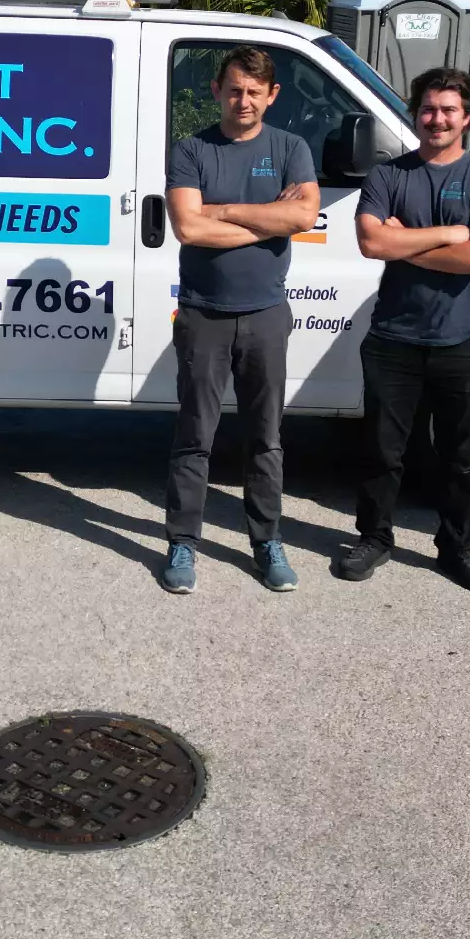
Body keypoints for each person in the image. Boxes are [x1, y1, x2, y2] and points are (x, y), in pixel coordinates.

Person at [336, 67, 470, 591]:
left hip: (463, 338)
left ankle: (456, 547)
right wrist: (449, 234)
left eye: (448, 111)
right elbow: (372, 243)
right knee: (381, 451)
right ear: (415, 115)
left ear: (467, 119)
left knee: (460, 458)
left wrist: (407, 240)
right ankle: (374, 538)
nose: (437, 119)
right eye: (429, 109)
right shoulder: (389, 176)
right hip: (393, 337)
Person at [161, 46, 321, 594]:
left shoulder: (291, 147)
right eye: (234, 89)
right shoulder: (191, 150)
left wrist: (222, 210)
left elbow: (302, 214)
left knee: (266, 438)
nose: (244, 100)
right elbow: (188, 228)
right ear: (216, 91)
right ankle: (183, 543)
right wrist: (267, 222)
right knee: (194, 435)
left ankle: (266, 541)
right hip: (204, 313)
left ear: (271, 95)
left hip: (266, 314)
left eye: (255, 91)